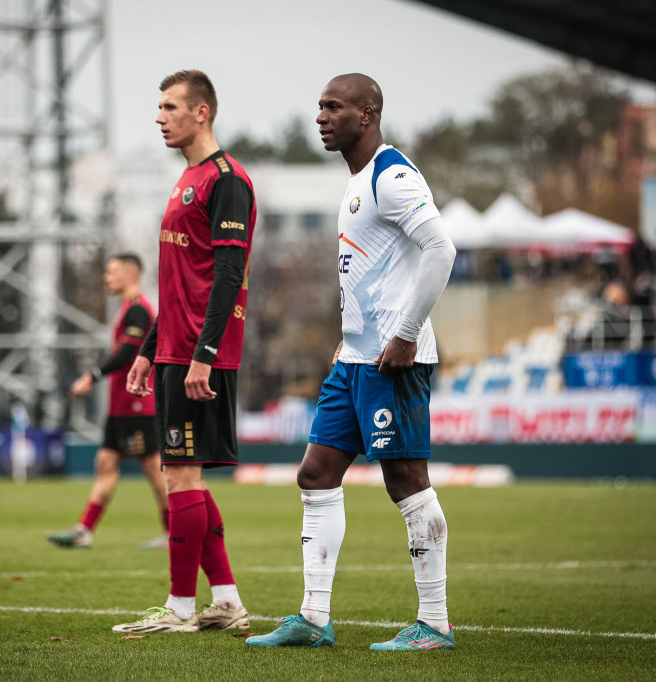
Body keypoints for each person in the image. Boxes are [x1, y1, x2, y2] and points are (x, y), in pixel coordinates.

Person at [246, 73, 457, 651]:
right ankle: (313, 619)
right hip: (356, 359)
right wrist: (350, 338)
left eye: (333, 107)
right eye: (318, 107)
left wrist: (406, 335)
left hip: (394, 360)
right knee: (315, 474)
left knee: (407, 483)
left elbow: (442, 248)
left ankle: (434, 625)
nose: (321, 116)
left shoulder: (391, 175)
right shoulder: (357, 180)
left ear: (366, 115)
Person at [112, 69, 256, 634]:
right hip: (175, 349)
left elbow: (227, 274)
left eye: (170, 106)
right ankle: (226, 600)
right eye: (159, 107)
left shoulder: (227, 180)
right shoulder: (187, 179)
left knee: (181, 477)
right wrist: (150, 349)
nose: (159, 116)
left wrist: (204, 352)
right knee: (184, 477)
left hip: (200, 354)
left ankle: (177, 609)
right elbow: (178, 280)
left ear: (202, 112)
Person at [46, 253, 169, 550]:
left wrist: (92, 375)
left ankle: (174, 533)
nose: (106, 277)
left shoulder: (139, 310)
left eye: (112, 271)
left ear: (130, 274)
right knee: (106, 462)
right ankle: (84, 530)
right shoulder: (128, 308)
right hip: (120, 407)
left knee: (155, 469)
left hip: (137, 404)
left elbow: (128, 352)